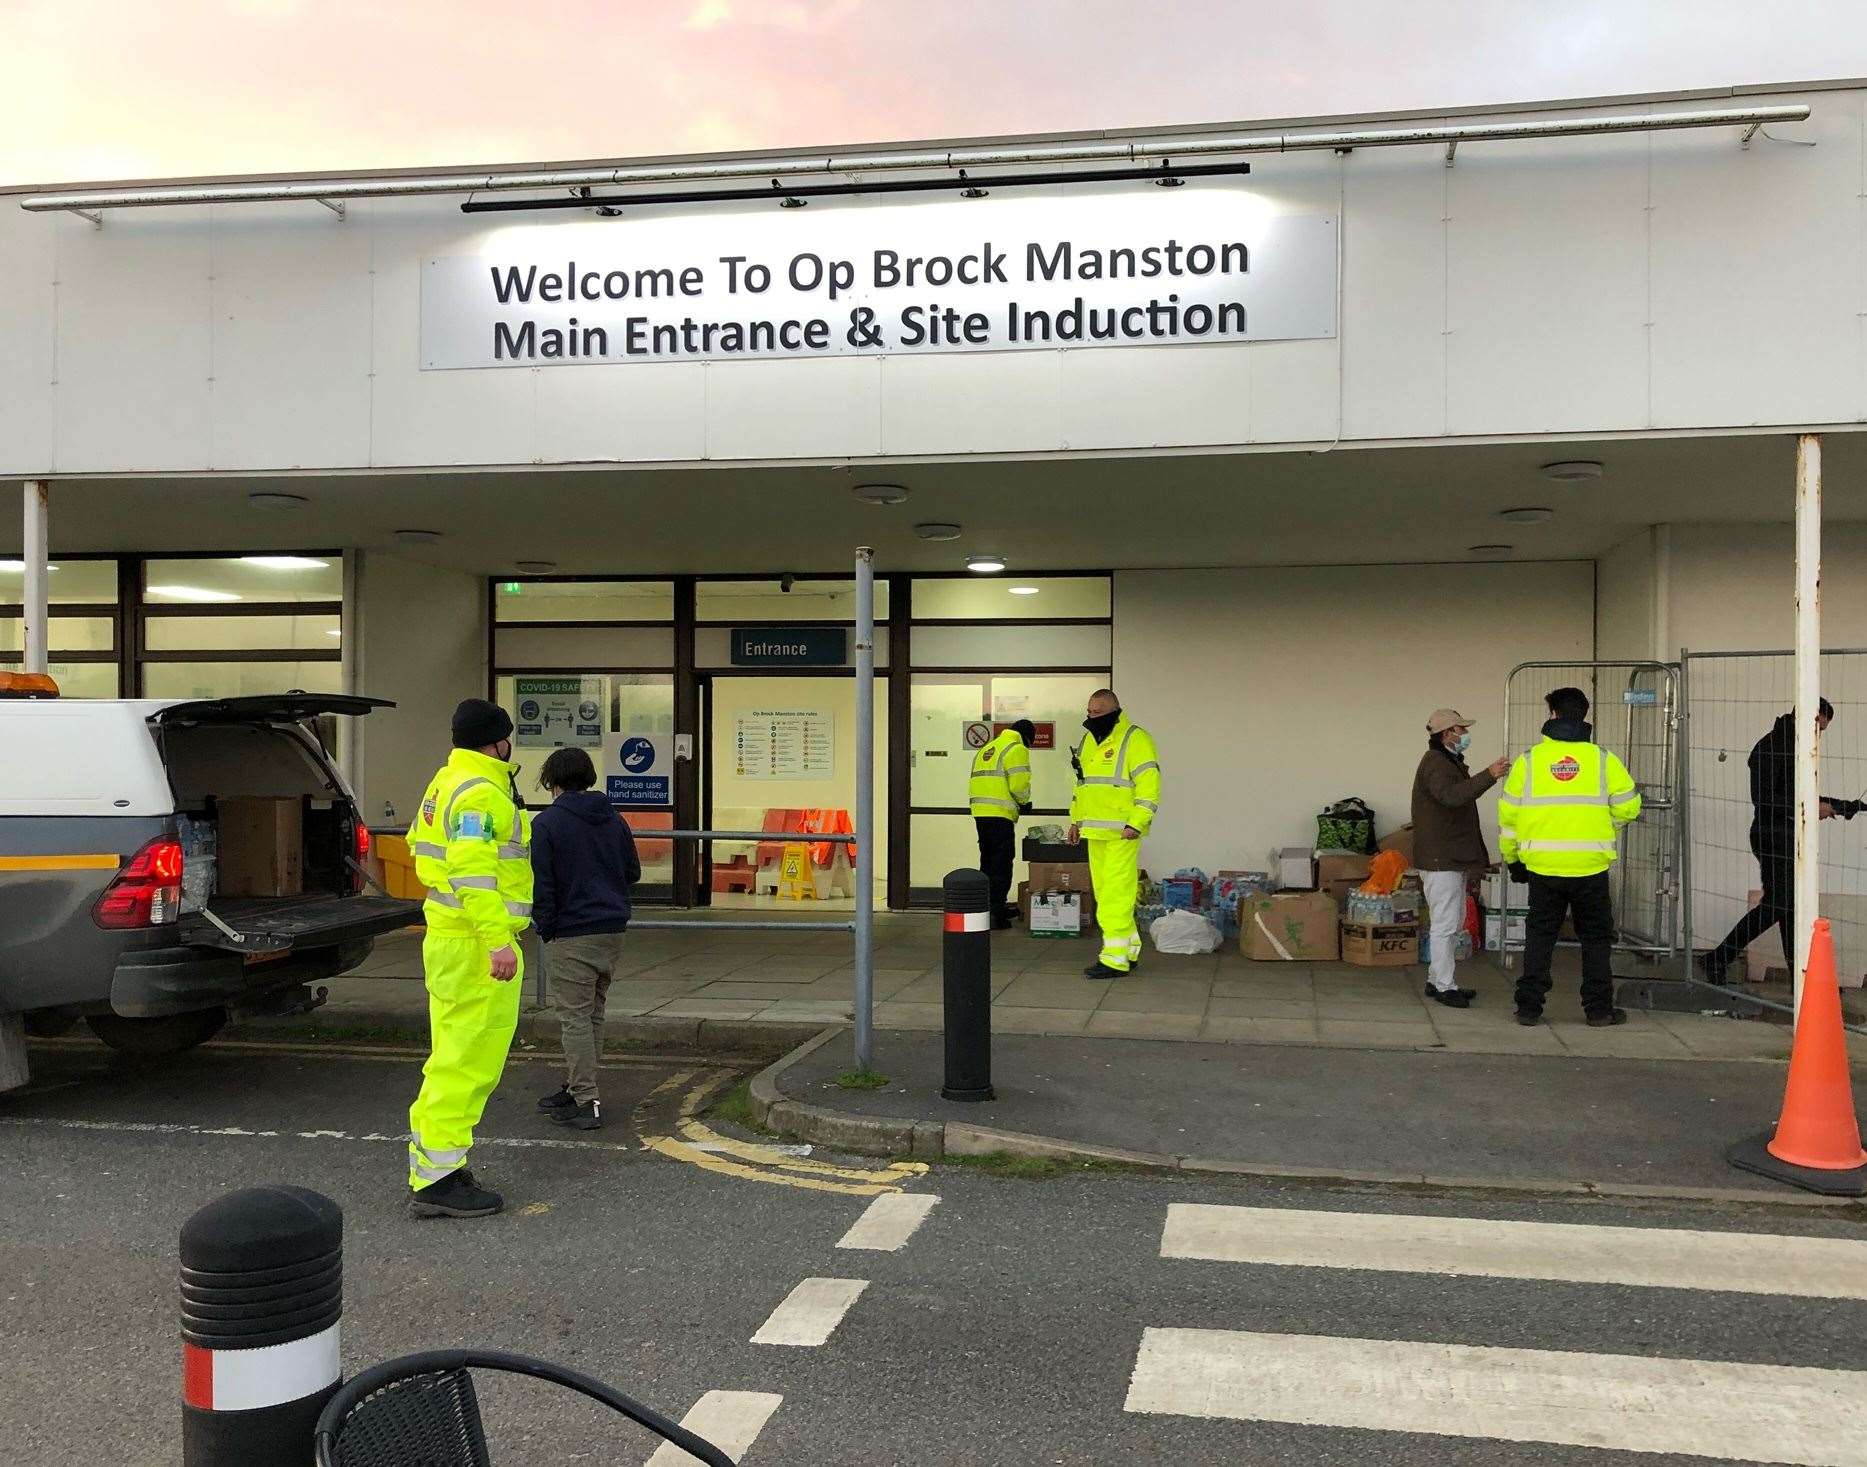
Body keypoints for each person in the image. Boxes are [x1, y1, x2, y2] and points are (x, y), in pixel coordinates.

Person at [405, 698, 533, 1218]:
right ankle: (437, 1178)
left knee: (452, 1057)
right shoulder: (481, 793)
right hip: (476, 943)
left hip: (452, 938)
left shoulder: (446, 783)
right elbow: (473, 873)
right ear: (498, 740)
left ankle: (438, 1166)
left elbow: (423, 850)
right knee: (466, 1063)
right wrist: (498, 939)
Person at [1497, 687, 1642, 1027]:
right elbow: (1629, 806)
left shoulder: (1528, 762)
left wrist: (1513, 859)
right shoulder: (1604, 760)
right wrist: (1604, 825)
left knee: (1540, 937)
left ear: (1553, 716)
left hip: (1543, 868)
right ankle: (1598, 1010)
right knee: (1595, 940)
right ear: (1583, 715)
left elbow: (1509, 818)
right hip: (1590, 867)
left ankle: (1529, 1008)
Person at [1700, 698, 1862, 984]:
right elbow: (1766, 800)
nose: (1819, 736)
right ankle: (1719, 957)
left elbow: (1798, 795)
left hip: (1784, 834)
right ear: (1810, 718)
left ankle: (1801, 981)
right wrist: (1811, 809)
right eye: (1819, 728)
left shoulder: (1795, 746)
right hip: (1772, 835)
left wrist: (1846, 805)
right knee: (1780, 904)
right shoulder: (1772, 746)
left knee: (1789, 907)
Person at [530, 747, 641, 1131]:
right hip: (612, 927)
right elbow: (633, 871)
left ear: (551, 780)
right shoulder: (613, 818)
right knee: (593, 1013)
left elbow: (542, 885)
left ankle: (585, 1099)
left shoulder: (547, 824)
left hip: (571, 932)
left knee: (574, 1018)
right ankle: (578, 1085)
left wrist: (545, 926)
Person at [1412, 709, 1511, 1009]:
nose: (1465, 734)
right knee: (1445, 923)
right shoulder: (1437, 763)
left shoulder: (1445, 761)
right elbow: (1453, 796)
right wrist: (1489, 775)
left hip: (1446, 857)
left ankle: (1437, 979)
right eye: (1460, 729)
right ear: (1446, 734)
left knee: (1450, 921)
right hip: (1442, 859)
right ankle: (1444, 985)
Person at [1067, 690, 1161, 979]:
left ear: (1114, 710)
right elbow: (1083, 786)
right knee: (1107, 892)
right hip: (1095, 831)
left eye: (1097, 712)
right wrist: (1075, 821)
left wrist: (1137, 822)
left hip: (1123, 832)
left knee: (1114, 895)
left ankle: (1114, 958)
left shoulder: (1136, 739)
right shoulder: (1087, 742)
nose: (1091, 717)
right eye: (1089, 711)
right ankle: (1129, 949)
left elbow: (1149, 785)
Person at [970, 719, 1035, 930]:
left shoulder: (988, 748)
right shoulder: (1016, 749)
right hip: (1000, 815)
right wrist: (1024, 802)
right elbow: (1019, 783)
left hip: (981, 814)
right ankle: (996, 914)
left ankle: (987, 909)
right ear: (1027, 737)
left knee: (987, 863)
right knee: (1001, 865)